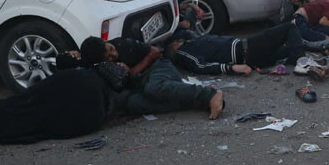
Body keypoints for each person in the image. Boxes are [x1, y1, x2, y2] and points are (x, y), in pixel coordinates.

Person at [0, 62, 129, 150]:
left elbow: (44, 88)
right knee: (18, 126)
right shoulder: (104, 105)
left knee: (12, 109)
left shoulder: (84, 75)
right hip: (58, 122)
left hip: (47, 102)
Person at [80, 37, 224, 118]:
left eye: (111, 49)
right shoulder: (99, 66)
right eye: (109, 57)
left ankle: (209, 94)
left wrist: (134, 70)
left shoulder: (123, 44)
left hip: (158, 68)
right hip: (140, 84)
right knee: (132, 104)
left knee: (153, 88)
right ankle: (194, 101)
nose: (114, 54)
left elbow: (155, 52)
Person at [167, 22, 305, 76]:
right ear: (171, 47)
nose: (179, 40)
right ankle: (303, 62)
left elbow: (188, 27)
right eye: (176, 41)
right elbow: (201, 66)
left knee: (291, 46)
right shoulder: (182, 52)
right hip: (248, 49)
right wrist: (231, 68)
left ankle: (314, 51)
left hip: (251, 54)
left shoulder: (189, 41)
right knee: (290, 27)